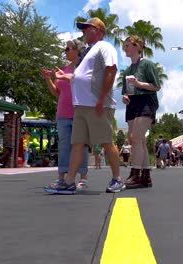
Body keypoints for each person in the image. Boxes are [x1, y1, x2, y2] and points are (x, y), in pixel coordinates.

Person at [45, 17, 124, 194]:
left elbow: (111, 70)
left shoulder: (105, 47)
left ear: (99, 31)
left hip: (98, 105)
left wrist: (101, 98)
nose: (84, 31)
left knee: (106, 141)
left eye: (88, 28)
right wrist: (63, 77)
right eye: (83, 29)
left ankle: (117, 179)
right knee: (77, 143)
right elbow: (79, 77)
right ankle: (69, 181)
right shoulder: (88, 52)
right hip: (80, 106)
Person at [42, 39, 90, 191]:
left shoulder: (84, 68)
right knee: (64, 145)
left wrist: (65, 76)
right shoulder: (63, 69)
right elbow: (57, 92)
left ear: (77, 50)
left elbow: (84, 85)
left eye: (68, 48)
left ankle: (83, 177)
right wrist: (48, 79)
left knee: (80, 145)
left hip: (79, 112)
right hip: (62, 113)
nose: (65, 51)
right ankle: (61, 177)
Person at [121, 35, 161, 188]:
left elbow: (156, 86)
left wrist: (140, 84)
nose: (126, 48)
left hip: (146, 101)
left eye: (128, 45)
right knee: (137, 140)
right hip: (132, 103)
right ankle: (146, 176)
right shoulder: (127, 71)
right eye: (125, 46)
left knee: (137, 137)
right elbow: (126, 91)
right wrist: (124, 96)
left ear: (138, 47)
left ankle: (135, 173)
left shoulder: (147, 65)